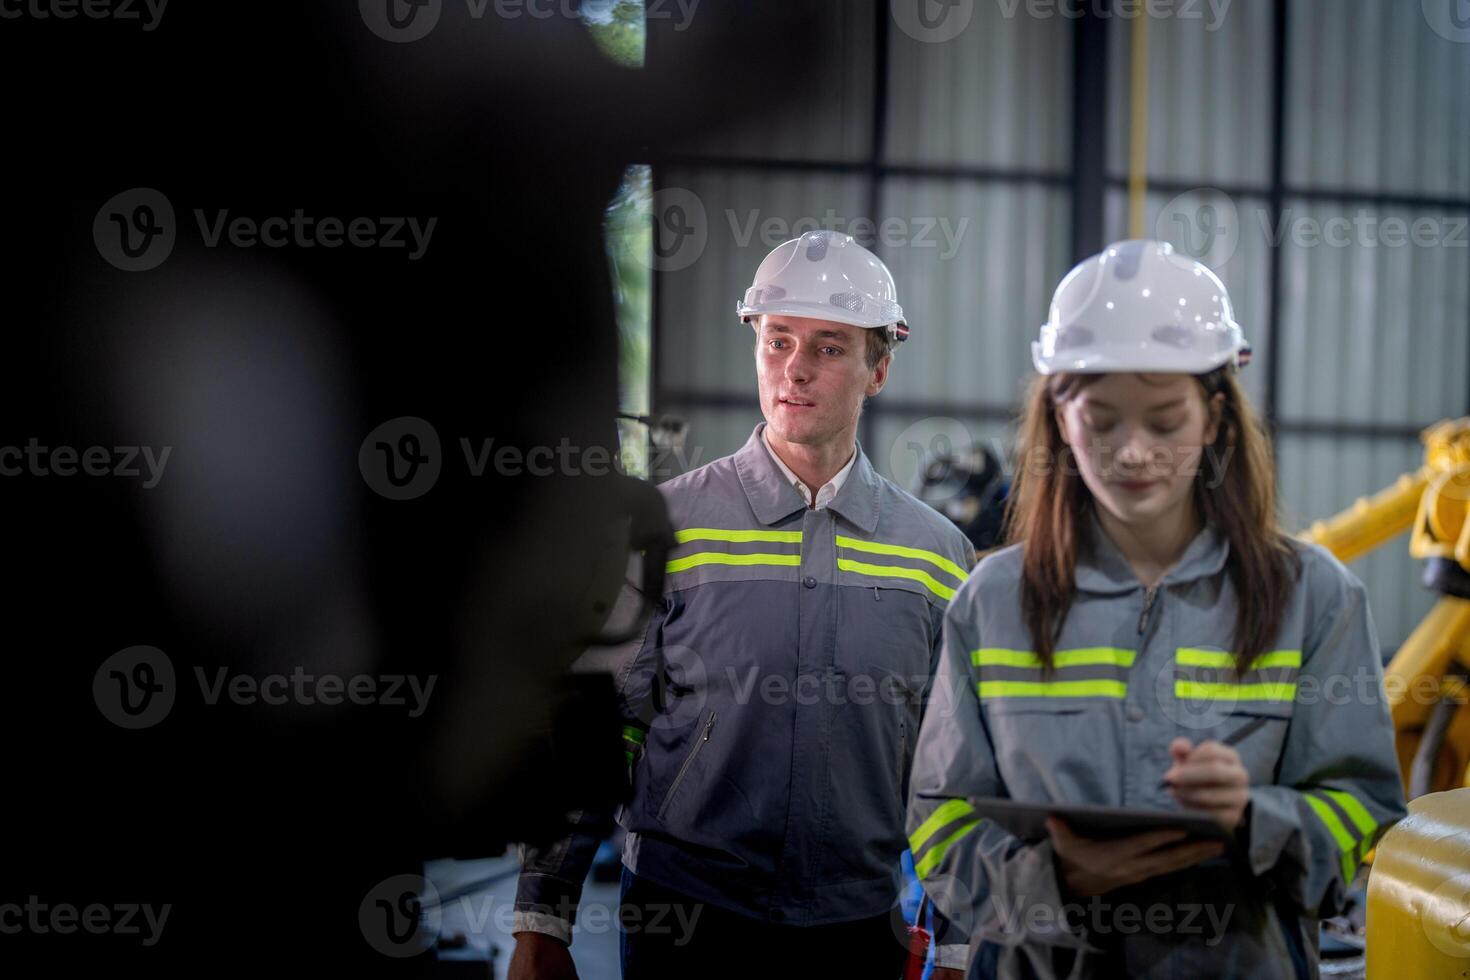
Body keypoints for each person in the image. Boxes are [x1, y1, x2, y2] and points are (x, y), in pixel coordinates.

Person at [906, 240, 1406, 978]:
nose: (1133, 453)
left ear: (1215, 419)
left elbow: (1362, 813)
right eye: (1102, 422)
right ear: (1059, 420)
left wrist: (1253, 818)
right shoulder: (994, 601)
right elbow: (941, 819)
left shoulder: (1313, 598)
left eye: (1165, 422)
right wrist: (1056, 883)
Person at [509, 230, 976, 979]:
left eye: (829, 347)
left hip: (856, 929)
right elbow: (596, 724)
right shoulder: (664, 528)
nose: (795, 368)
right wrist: (541, 918)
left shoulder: (936, 553)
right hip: (684, 920)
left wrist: (953, 939)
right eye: (778, 340)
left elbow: (948, 764)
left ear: (878, 368)